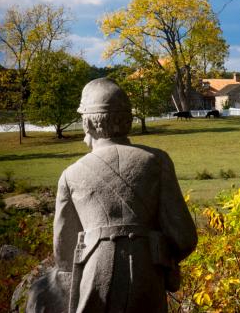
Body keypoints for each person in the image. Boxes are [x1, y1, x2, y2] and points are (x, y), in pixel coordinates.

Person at [51, 77, 197, 313]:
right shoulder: (156, 162)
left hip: (94, 277)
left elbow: (64, 255)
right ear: (128, 120)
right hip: (147, 271)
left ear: (87, 123)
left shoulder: (71, 175)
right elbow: (185, 237)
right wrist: (163, 257)